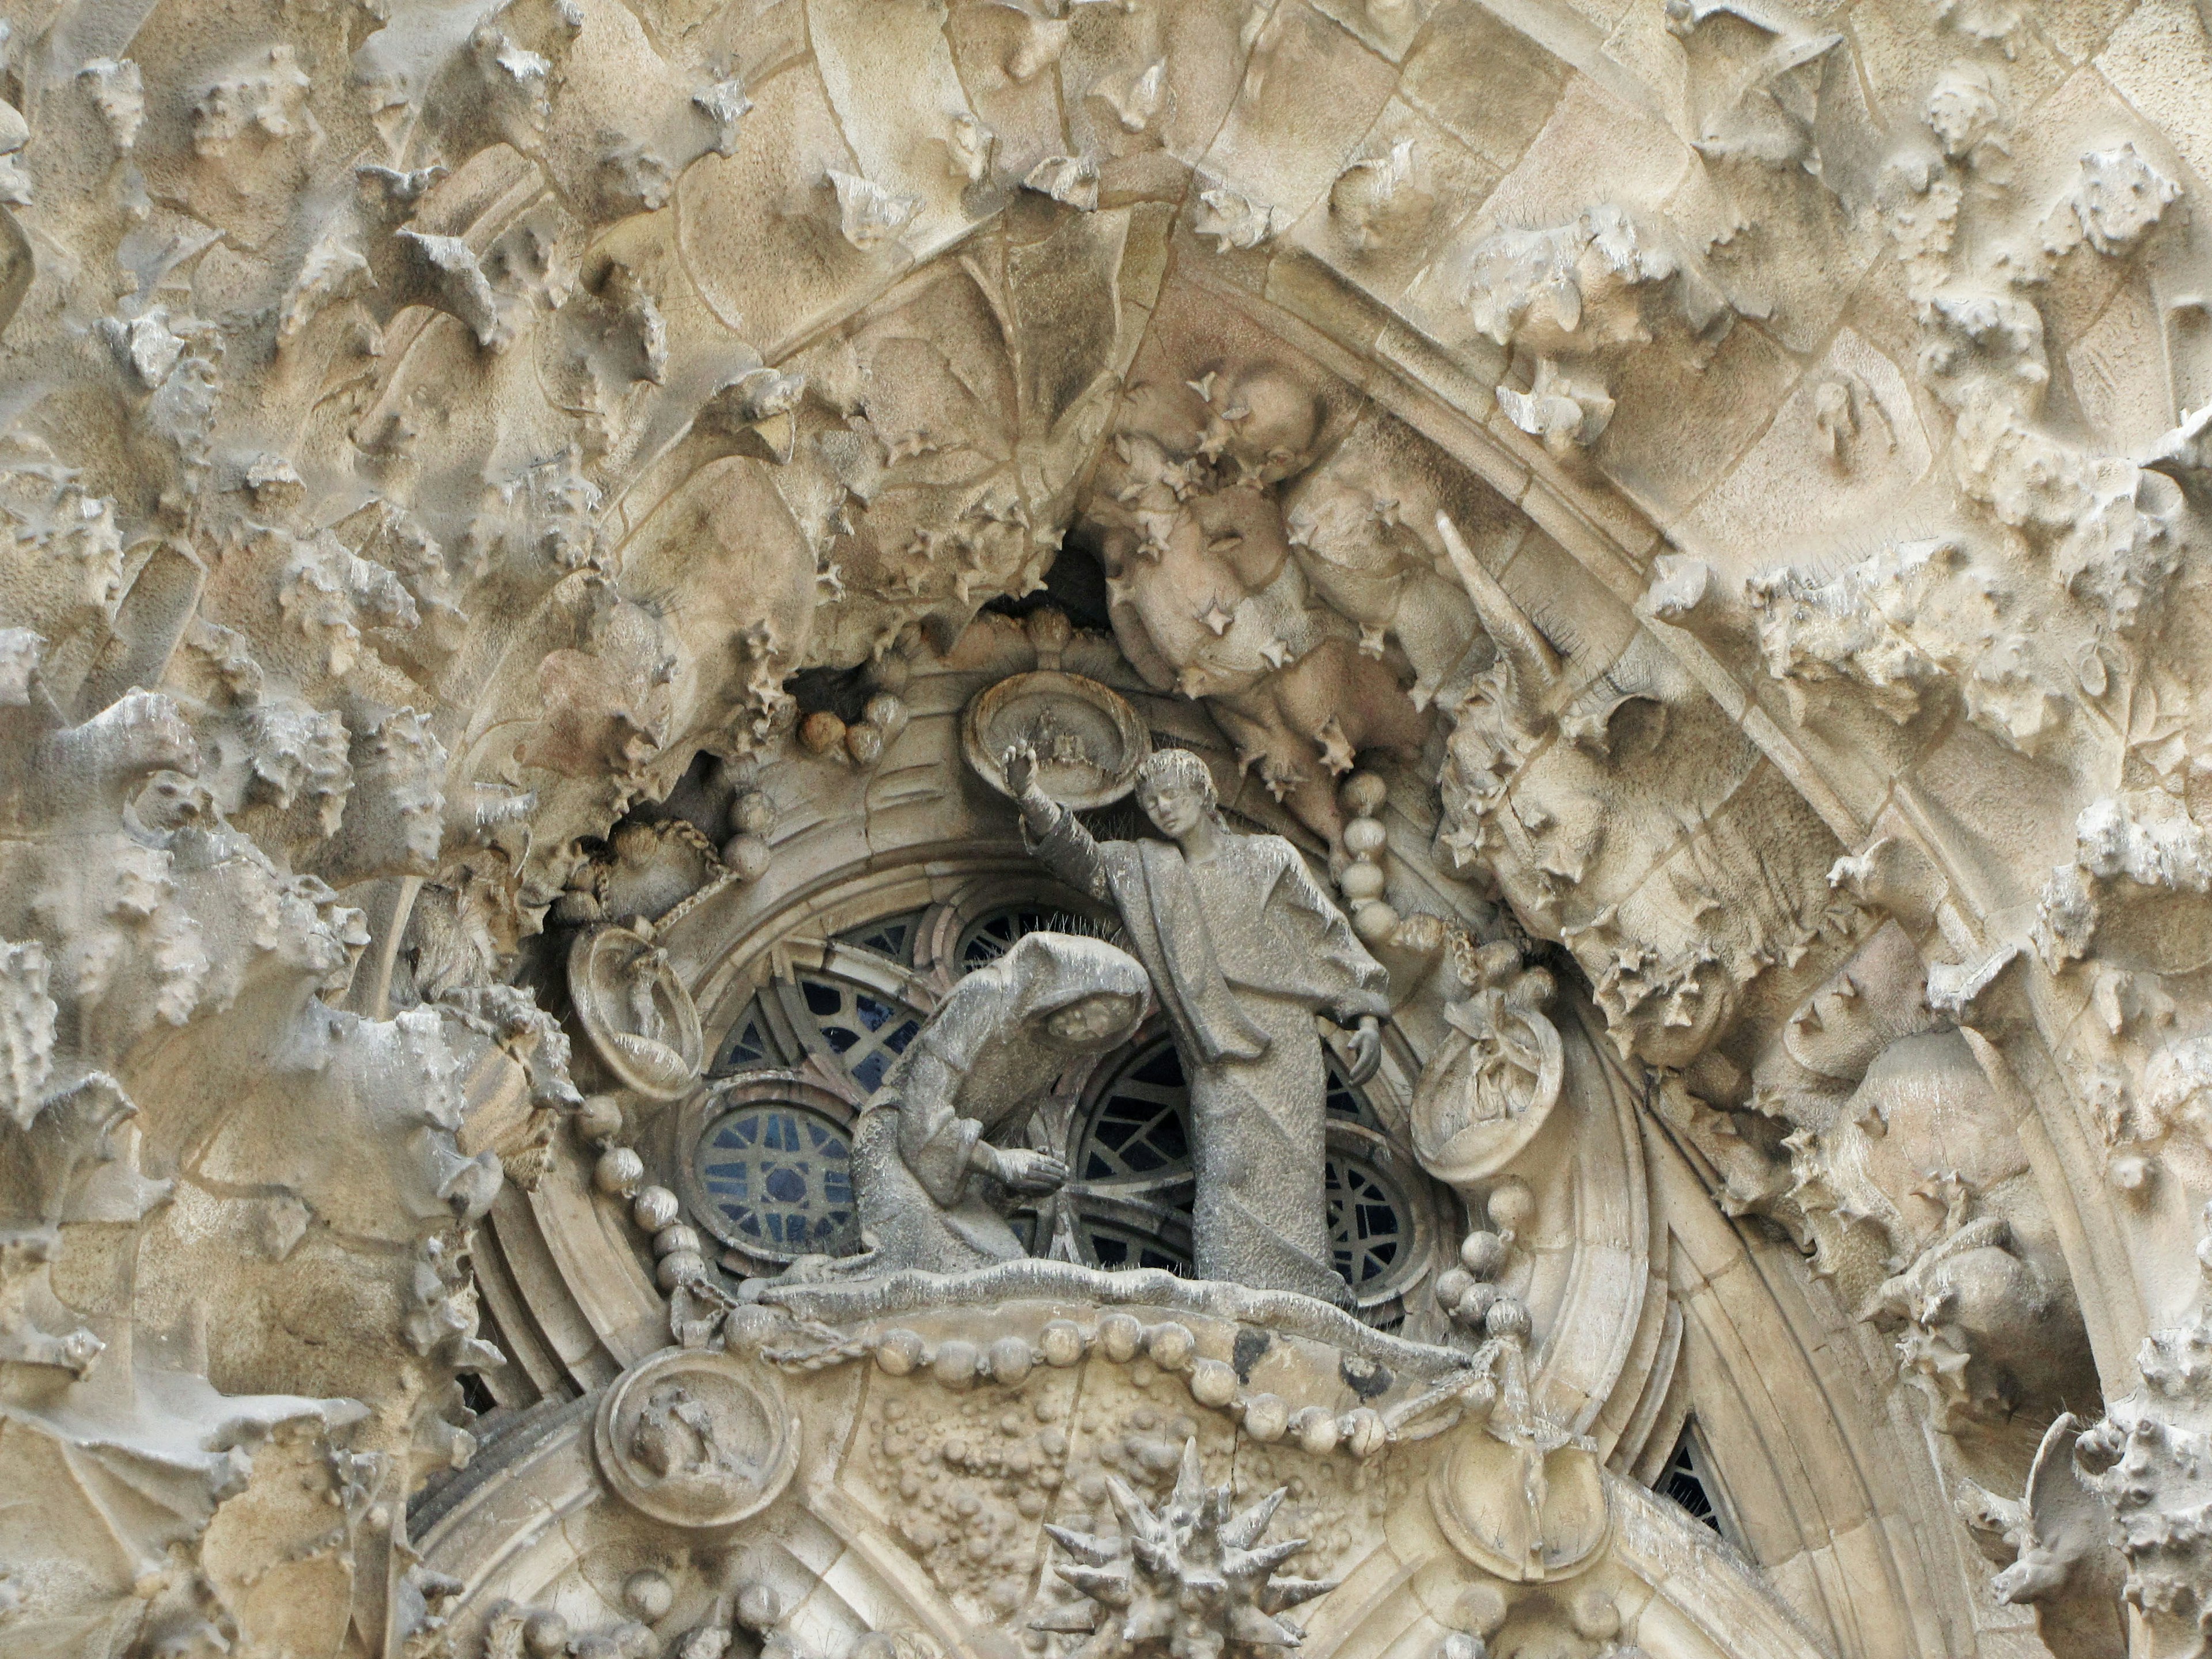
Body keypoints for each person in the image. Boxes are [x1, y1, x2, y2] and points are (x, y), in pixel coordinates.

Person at [1006, 741, 1389, 1306]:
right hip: (1215, 1045)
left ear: (1205, 794)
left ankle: (1308, 1292)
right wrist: (1031, 795)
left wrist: (1364, 1013)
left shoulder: (1268, 857)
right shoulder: (1152, 872)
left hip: (1282, 1033)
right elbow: (1083, 861)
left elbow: (1327, 933)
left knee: (1291, 1171)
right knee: (1227, 1164)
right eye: (1152, 801)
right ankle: (1235, 1293)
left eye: (1172, 795)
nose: (1162, 809)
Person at [816, 931, 1148, 1278]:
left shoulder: (1049, 1052)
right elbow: (919, 1116)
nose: (1075, 1033)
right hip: (895, 1147)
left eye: (1092, 1036)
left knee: (1009, 1275)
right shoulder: (986, 996)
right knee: (910, 1268)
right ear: (1067, 992)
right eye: (1080, 1018)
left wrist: (1021, 1178)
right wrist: (1000, 1163)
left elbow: (1003, 1140)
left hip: (955, 1174)